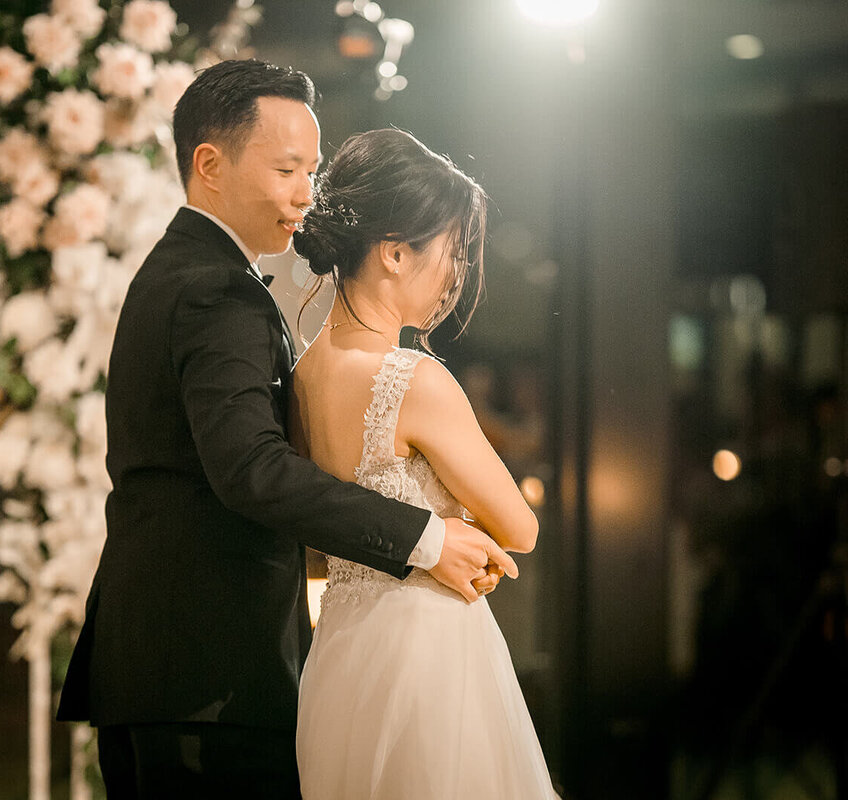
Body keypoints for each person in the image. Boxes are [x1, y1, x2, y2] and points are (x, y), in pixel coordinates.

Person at [57, 60, 517, 799]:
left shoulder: (180, 272)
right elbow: (251, 470)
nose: (307, 194)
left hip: (169, 668)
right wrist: (425, 538)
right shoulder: (215, 290)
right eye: (287, 169)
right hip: (208, 673)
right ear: (210, 164)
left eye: (313, 169)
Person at [290, 128, 558, 798]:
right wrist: (464, 534)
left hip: (340, 651)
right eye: (451, 251)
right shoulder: (414, 379)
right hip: (428, 650)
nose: (456, 274)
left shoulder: (301, 376)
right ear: (394, 252)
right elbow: (519, 528)